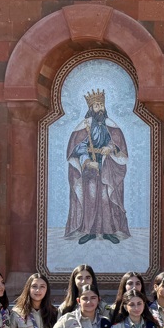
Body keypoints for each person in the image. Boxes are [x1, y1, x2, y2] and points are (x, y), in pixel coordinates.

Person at [64, 88, 130, 245]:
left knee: (106, 198)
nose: (99, 108)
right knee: (91, 198)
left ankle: (108, 231)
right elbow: (77, 147)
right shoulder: (85, 126)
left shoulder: (110, 125)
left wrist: (111, 148)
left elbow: (117, 142)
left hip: (108, 165)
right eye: (96, 105)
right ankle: (89, 231)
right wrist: (87, 161)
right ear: (91, 108)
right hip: (90, 167)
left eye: (101, 105)